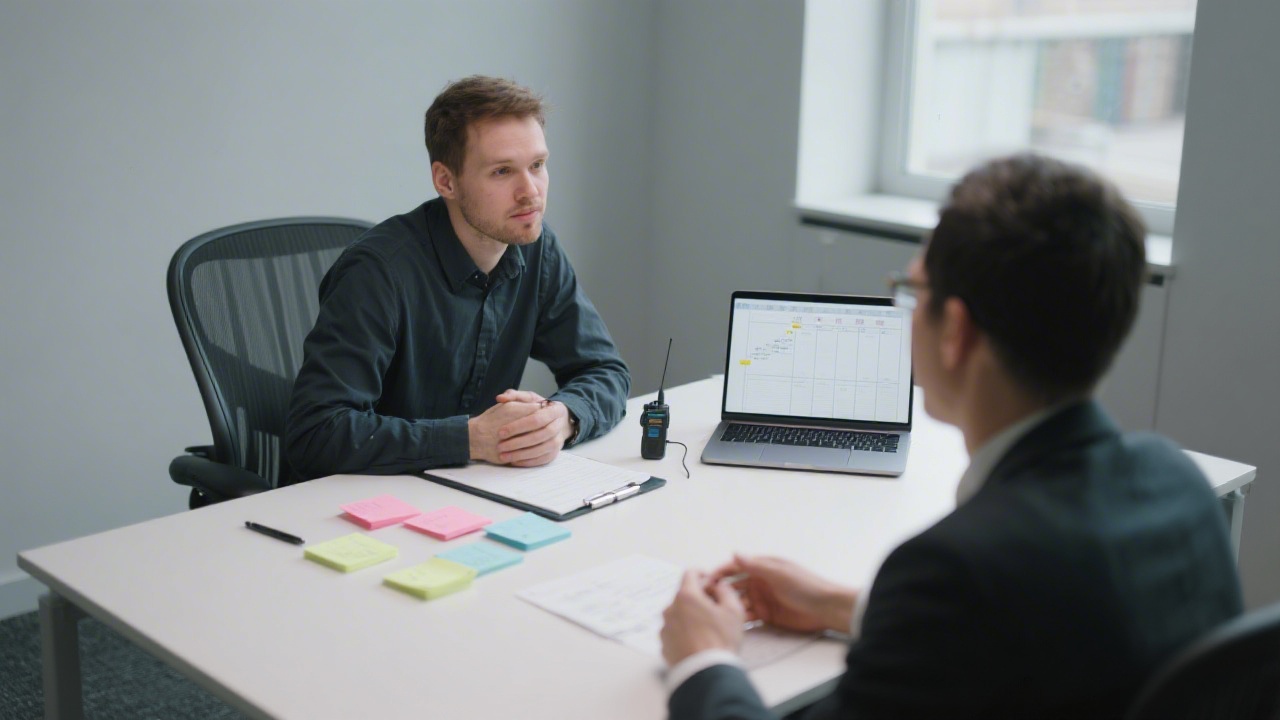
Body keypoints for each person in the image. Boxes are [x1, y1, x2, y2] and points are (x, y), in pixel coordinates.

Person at [660, 154, 1243, 719]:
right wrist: (844, 606)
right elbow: (1051, 637)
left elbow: (976, 620)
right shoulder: (1179, 485)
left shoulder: (954, 571)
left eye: (913, 292)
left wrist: (703, 660)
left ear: (955, 331)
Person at [285, 75, 629, 481]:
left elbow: (605, 370)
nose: (530, 192)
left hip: (463, 492)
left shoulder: (535, 246)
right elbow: (316, 433)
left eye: (537, 165)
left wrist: (564, 418)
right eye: (502, 172)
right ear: (446, 181)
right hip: (354, 507)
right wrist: (471, 440)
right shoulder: (377, 272)